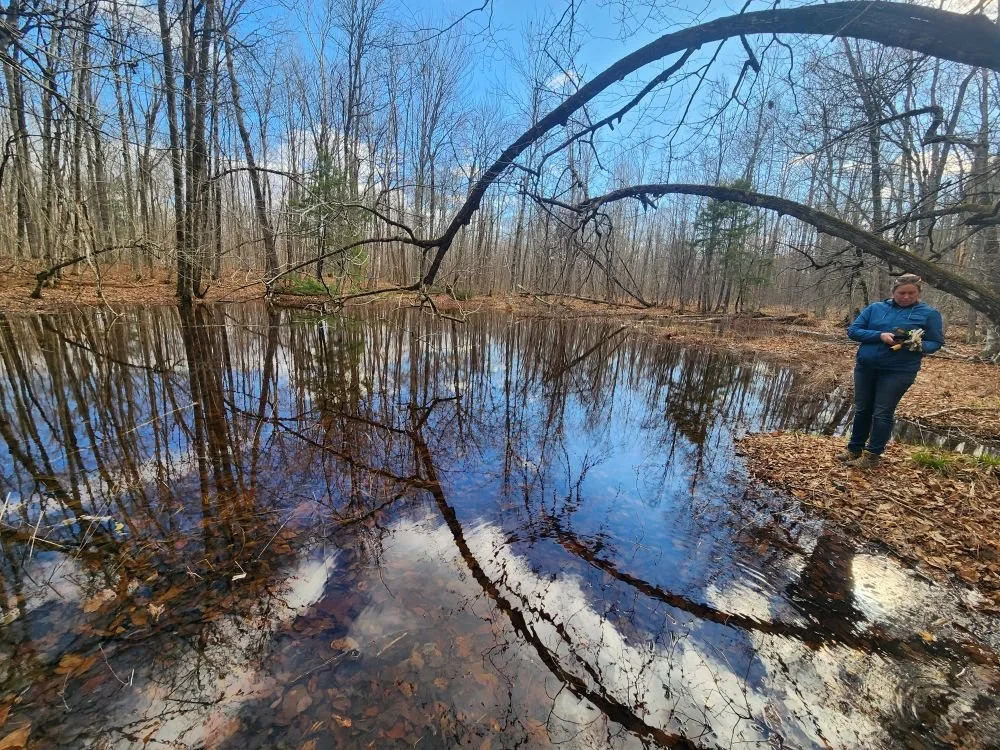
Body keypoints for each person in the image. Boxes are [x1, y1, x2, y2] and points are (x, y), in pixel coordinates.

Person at [837, 274, 944, 468]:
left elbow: (936, 342)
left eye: (911, 293)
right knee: (862, 409)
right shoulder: (876, 308)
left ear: (918, 293)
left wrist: (919, 345)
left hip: (899, 371)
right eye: (901, 293)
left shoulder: (928, 314)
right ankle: (854, 449)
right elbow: (854, 331)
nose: (906, 296)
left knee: (882, 412)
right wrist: (880, 336)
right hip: (866, 367)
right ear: (893, 292)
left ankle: (872, 455)